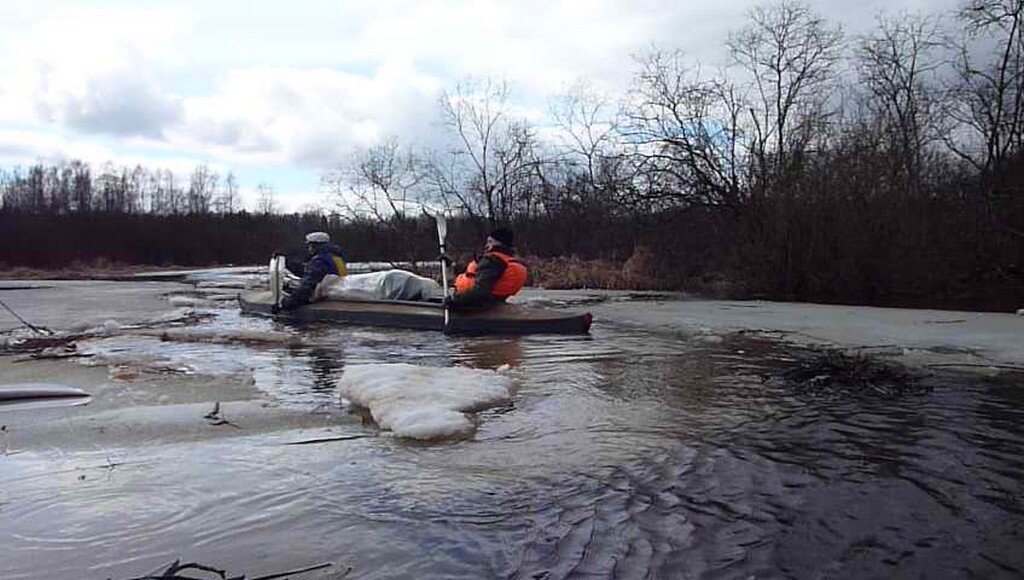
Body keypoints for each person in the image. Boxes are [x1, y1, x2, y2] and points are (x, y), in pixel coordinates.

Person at [444, 227, 527, 309]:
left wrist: (454, 301)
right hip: (492, 302)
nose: (486, 245)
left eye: (490, 241)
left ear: (498, 243)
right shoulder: (507, 259)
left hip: (472, 304)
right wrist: (451, 264)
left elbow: (480, 291)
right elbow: (471, 274)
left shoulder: (492, 261)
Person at [274, 231, 347, 312]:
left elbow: (307, 287)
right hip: (336, 290)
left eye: (310, 245)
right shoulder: (335, 257)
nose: (309, 248)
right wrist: (286, 261)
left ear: (315, 246)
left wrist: (286, 304)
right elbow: (306, 271)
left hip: (326, 294)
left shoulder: (320, 261)